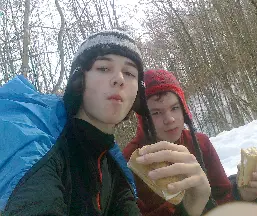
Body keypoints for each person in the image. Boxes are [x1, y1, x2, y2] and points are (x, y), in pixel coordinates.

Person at [3, 29, 158, 215]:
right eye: (103, 68)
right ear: (78, 80)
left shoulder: (114, 166)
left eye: (130, 73)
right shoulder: (39, 146)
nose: (119, 79)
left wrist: (197, 203)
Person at [123, 69, 257, 215]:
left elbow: (223, 196)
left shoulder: (200, 142)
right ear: (144, 119)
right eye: (156, 113)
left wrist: (245, 195)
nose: (170, 119)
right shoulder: (129, 161)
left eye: (174, 108)